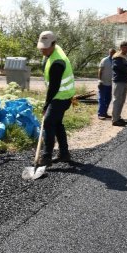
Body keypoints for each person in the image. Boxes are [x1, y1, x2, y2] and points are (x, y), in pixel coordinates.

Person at [36, 31, 75, 167]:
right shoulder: (53, 51)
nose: (43, 50)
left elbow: (54, 87)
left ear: (54, 44)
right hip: (61, 95)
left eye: (46, 47)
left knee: (48, 123)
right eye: (41, 47)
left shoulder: (57, 62)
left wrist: (46, 105)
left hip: (61, 97)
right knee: (57, 123)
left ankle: (46, 157)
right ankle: (64, 154)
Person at [97, 48, 116, 120]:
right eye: (111, 52)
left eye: (114, 53)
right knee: (102, 99)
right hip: (103, 83)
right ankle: (100, 114)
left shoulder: (115, 61)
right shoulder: (105, 60)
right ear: (109, 53)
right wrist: (99, 80)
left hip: (110, 83)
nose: (112, 54)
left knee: (108, 99)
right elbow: (100, 70)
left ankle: (105, 113)